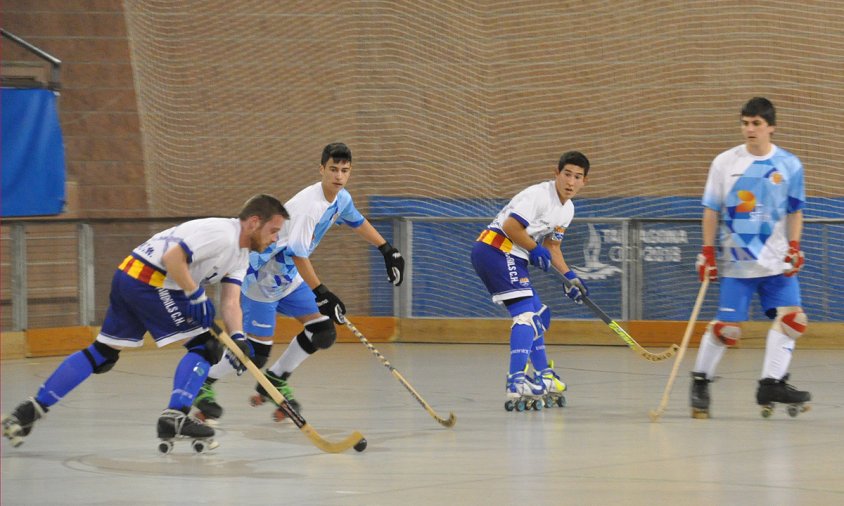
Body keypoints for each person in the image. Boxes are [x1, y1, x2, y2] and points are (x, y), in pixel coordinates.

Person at [1, 194, 288, 449]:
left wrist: (238, 338)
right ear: (253, 222)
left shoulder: (240, 255)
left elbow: (230, 302)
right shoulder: (222, 233)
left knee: (102, 354)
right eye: (273, 231)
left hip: (130, 274)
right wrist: (195, 294)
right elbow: (173, 258)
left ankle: (30, 410)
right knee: (205, 347)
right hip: (150, 281)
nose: (275, 239)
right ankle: (175, 416)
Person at [194, 142, 404, 422]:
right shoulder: (309, 205)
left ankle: (276, 378)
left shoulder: (341, 198)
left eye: (344, 170)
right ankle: (202, 384)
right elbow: (298, 253)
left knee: (323, 331)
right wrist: (322, 292)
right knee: (255, 354)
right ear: (321, 169)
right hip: (261, 282)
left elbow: (357, 221)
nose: (338, 176)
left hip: (290, 278)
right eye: (333, 169)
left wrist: (386, 249)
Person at [690, 97, 810, 419]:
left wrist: (795, 246)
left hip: (776, 263)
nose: (749, 129)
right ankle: (700, 380)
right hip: (737, 262)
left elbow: (795, 211)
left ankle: (771, 384)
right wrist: (707, 251)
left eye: (756, 123)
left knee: (793, 320)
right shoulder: (725, 163)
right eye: (745, 123)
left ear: (771, 126)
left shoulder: (790, 165)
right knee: (727, 330)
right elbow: (711, 210)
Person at [470, 150, 590, 411]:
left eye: (577, 177)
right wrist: (534, 249)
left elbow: (553, 247)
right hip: (496, 250)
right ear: (556, 173)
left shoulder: (567, 210)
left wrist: (570, 278)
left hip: (511, 256)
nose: (570, 181)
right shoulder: (538, 195)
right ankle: (516, 381)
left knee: (538, 315)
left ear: (584, 182)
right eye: (567, 174)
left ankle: (544, 375)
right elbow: (511, 227)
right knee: (526, 316)